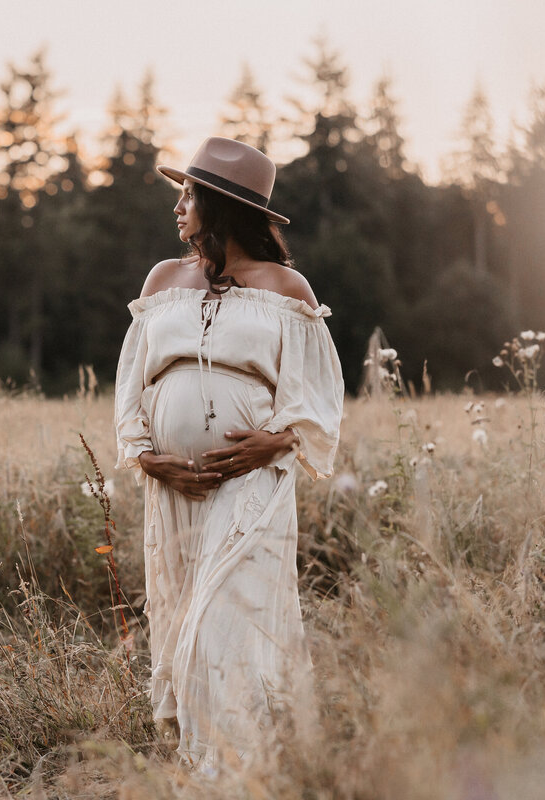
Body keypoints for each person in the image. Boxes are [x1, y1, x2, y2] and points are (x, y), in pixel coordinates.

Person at [114, 136, 344, 768]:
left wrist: (279, 439)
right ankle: (207, 762)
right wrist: (142, 453)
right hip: (175, 487)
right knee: (186, 614)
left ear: (221, 207)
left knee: (227, 616)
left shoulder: (285, 288)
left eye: (189, 194)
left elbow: (319, 394)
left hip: (251, 482)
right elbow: (132, 377)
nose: (179, 206)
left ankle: (232, 770)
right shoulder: (164, 281)